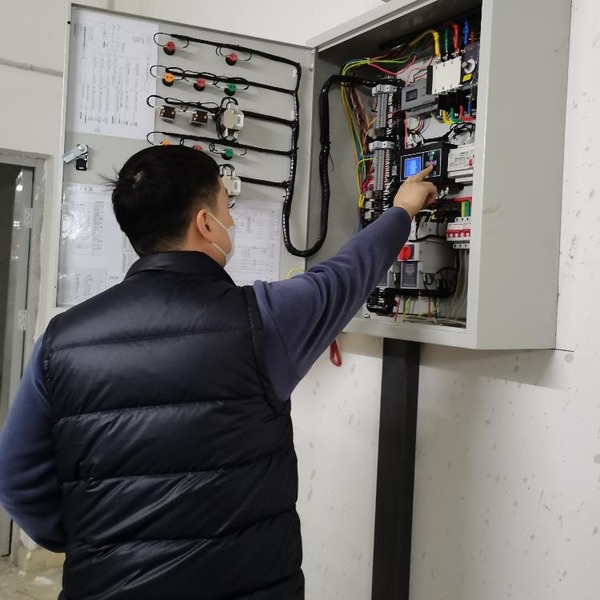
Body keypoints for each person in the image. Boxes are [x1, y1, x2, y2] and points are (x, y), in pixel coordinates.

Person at [0, 145, 436, 600]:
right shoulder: (263, 319)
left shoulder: (61, 340)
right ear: (206, 224)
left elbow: (17, 481)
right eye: (227, 207)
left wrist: (96, 540)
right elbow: (347, 274)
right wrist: (402, 210)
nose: (232, 222)